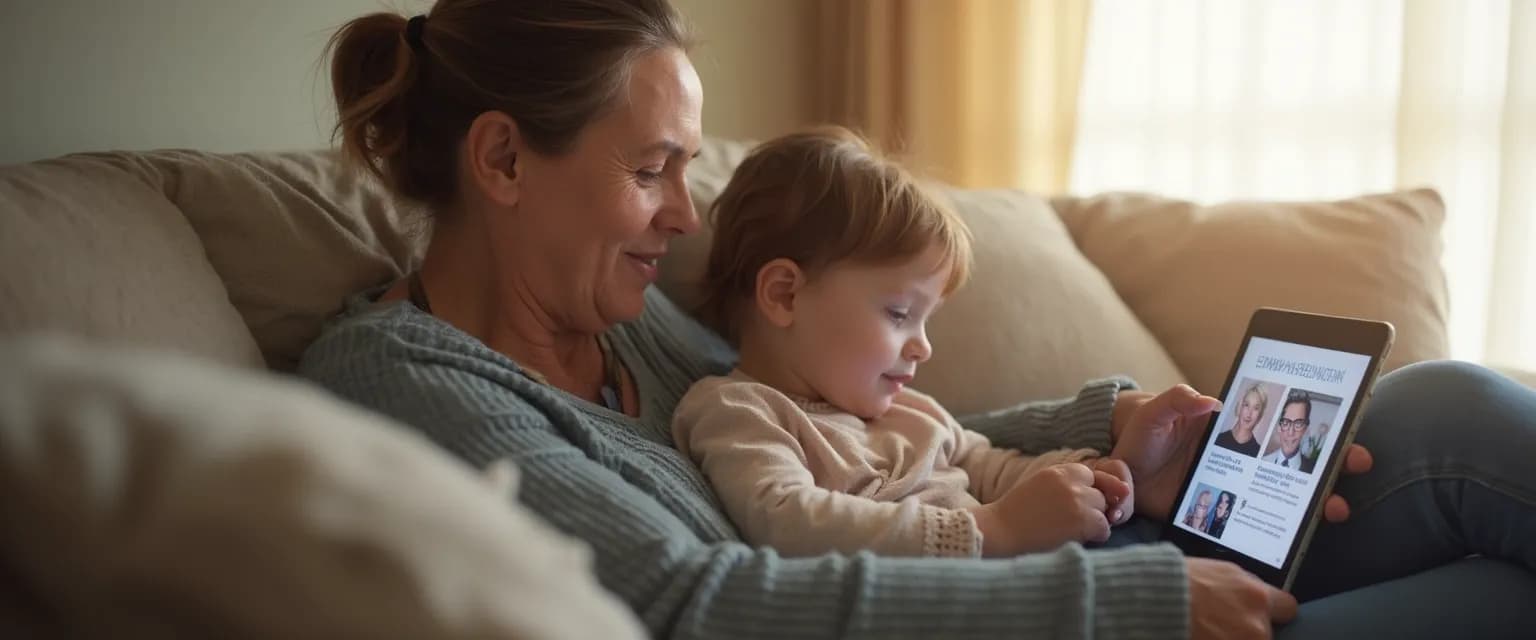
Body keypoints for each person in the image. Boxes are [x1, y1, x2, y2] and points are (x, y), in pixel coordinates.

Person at [299, 1, 1536, 638]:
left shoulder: (624, 323)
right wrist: (1130, 605)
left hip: (1042, 584)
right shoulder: (402, 380)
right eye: (651, 169)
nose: (686, 215)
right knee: (1494, 597)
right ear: (503, 159)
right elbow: (702, 607)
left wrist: (1113, 429)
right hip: (1040, 620)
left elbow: (864, 445)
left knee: (1441, 405)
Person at [671, 128, 1134, 559]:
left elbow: (992, 468)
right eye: (899, 314)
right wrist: (994, 529)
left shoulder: (913, 411)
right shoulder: (739, 412)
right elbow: (787, 520)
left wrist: (1085, 476)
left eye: (925, 320)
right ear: (784, 294)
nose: (922, 347)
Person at [1264, 390, 1319, 473]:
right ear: (1279, 427)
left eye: (1298, 423)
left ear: (1305, 429)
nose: (1291, 432)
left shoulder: (1314, 470)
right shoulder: (1263, 461)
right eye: (1286, 422)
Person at [1215, 382, 1269, 457]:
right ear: (1240, 407)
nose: (1249, 414)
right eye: (1246, 405)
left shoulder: (1258, 452)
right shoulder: (1218, 439)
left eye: (1256, 408)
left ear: (1260, 416)